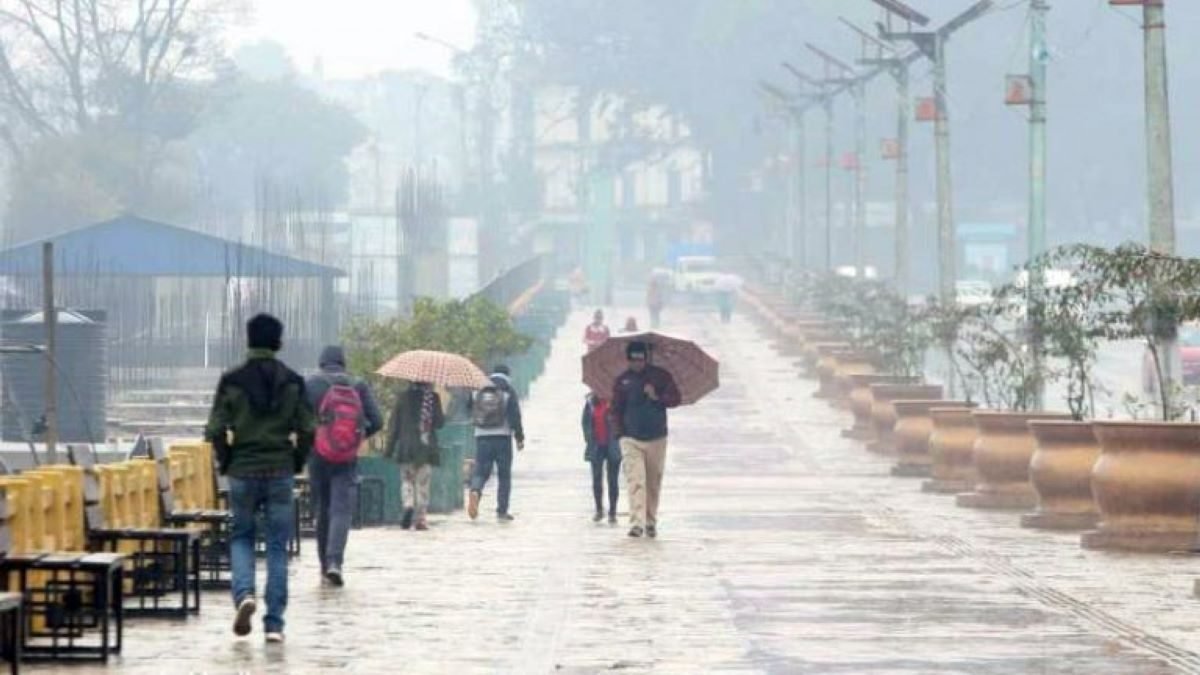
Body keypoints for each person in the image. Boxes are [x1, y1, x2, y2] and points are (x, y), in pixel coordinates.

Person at [205, 313, 315, 643]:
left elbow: (214, 429)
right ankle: (274, 624)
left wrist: (228, 460)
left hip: (242, 471)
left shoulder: (231, 380)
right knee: (278, 545)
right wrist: (295, 460)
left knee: (242, 537)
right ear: (278, 342)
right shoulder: (293, 381)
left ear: (249, 340)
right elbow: (308, 429)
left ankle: (244, 595)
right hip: (280, 470)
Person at [305, 345, 383, 587]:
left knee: (322, 509)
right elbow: (377, 420)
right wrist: (355, 437)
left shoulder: (311, 384)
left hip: (317, 455)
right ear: (343, 362)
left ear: (321, 362)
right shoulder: (357, 385)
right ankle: (334, 563)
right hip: (346, 457)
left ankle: (323, 567)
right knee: (341, 510)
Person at [612, 341, 681, 539]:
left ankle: (650, 521)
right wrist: (620, 434)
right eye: (633, 360)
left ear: (646, 358)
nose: (637, 363)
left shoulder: (661, 376)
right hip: (630, 439)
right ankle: (637, 523)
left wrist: (656, 396)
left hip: (657, 437)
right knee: (636, 481)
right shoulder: (622, 381)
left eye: (640, 359)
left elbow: (676, 399)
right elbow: (615, 410)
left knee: (652, 483)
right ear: (628, 360)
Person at [384, 380, 445, 531]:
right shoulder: (433, 398)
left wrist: (389, 450)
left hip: (407, 448)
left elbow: (394, 427)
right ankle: (420, 519)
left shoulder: (403, 397)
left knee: (407, 480)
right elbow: (439, 423)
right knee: (422, 484)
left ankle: (408, 505)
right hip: (425, 448)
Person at [467, 365, 525, 521]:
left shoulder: (478, 389)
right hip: (503, 438)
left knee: (480, 471)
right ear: (507, 375)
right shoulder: (508, 391)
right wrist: (519, 438)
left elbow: (469, 409)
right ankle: (502, 511)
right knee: (504, 476)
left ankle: (475, 491)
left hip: (481, 438)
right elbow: (515, 416)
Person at [581, 392, 621, 524]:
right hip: (596, 446)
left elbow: (623, 419)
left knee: (613, 480)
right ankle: (599, 509)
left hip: (613, 445)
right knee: (596, 479)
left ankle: (612, 512)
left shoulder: (616, 400)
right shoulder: (590, 403)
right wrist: (589, 437)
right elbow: (585, 422)